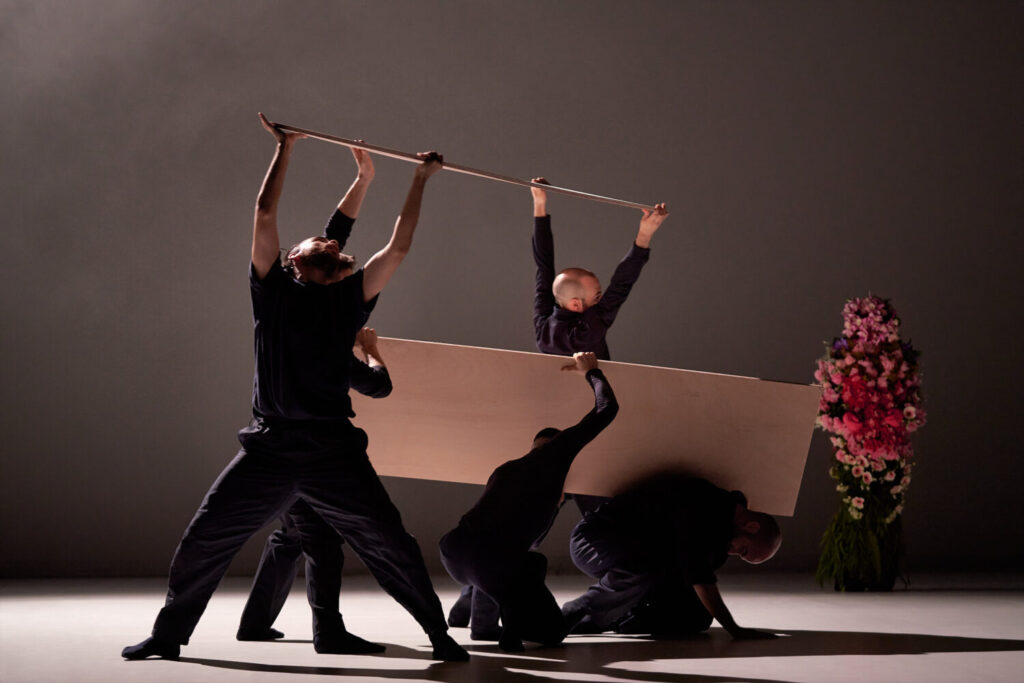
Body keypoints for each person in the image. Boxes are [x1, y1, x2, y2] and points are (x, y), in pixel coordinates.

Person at [122, 113, 468, 662]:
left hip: (332, 451)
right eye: (316, 244)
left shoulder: (348, 298)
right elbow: (264, 212)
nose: (324, 243)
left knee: (390, 545)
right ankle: (168, 635)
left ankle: (437, 635)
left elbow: (396, 247)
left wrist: (419, 180)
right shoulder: (273, 294)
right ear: (292, 261)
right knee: (204, 541)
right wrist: (286, 149)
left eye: (329, 248)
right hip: (271, 448)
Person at [439, 352, 619, 652]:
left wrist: (553, 501)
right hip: (491, 564)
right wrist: (591, 372)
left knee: (524, 560)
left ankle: (481, 626)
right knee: (552, 633)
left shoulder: (508, 469)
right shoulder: (555, 456)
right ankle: (511, 631)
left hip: (454, 554)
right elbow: (607, 409)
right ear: (556, 445)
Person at [236, 327, 393, 654]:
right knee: (321, 540)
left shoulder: (282, 340)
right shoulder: (327, 348)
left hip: (272, 455)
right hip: (310, 460)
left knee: (291, 535)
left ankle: (255, 622)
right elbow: (379, 385)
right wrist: (369, 348)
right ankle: (328, 632)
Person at [560, 475, 781, 640]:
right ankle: (569, 617)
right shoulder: (704, 504)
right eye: (742, 551)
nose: (734, 553)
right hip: (593, 542)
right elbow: (698, 573)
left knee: (698, 614)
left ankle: (619, 617)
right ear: (750, 526)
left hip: (642, 557)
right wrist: (734, 629)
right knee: (651, 565)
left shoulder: (720, 536)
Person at [531, 177, 669, 360]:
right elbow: (621, 285)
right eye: (597, 296)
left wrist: (539, 204)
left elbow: (544, 264)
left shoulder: (543, 326)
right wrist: (645, 234)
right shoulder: (587, 331)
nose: (602, 299)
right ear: (575, 304)